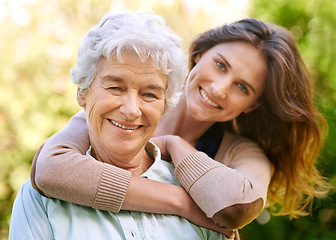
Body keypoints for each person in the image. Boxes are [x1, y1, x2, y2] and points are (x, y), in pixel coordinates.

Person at [30, 14, 328, 235]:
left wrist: (174, 145)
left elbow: (237, 206)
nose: (220, 88)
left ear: (251, 105)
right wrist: (184, 204)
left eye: (242, 87)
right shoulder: (125, 113)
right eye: (221, 65)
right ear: (198, 55)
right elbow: (50, 169)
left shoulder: (240, 152)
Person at [9, 10, 231, 240]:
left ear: (165, 105)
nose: (131, 110)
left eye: (149, 94)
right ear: (82, 92)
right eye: (115, 88)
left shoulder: (198, 199)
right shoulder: (40, 199)